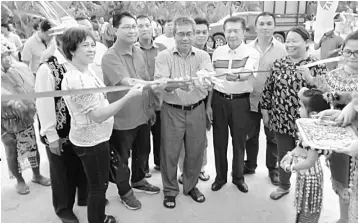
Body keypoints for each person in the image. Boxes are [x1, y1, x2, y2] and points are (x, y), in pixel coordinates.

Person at [61, 26, 144, 223]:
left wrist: (127, 84)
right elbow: (97, 115)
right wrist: (128, 96)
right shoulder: (78, 79)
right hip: (92, 141)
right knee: (99, 187)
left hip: (95, 137)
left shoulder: (86, 70)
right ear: (72, 50)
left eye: (92, 45)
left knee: (97, 184)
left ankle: (98, 217)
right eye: (84, 46)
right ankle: (97, 220)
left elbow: (99, 97)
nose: (91, 49)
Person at [101, 12, 161, 211]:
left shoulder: (138, 52)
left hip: (142, 115)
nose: (132, 30)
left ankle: (139, 180)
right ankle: (125, 192)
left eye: (134, 26)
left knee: (143, 152)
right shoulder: (110, 56)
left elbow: (145, 82)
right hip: (122, 119)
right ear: (115, 30)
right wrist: (160, 83)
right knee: (121, 159)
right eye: (126, 27)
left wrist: (151, 107)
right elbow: (128, 83)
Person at [260, 26, 327, 200]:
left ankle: (306, 189)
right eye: (287, 41)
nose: (289, 45)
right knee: (283, 153)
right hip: (281, 119)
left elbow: (325, 96)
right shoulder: (279, 64)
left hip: (308, 123)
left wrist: (310, 79)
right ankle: (284, 185)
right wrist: (265, 111)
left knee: (308, 157)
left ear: (306, 43)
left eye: (294, 41)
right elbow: (268, 90)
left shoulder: (317, 66)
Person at [155, 16, 213, 209]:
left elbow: (207, 79)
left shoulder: (203, 56)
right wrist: (181, 83)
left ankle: (191, 186)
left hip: (196, 109)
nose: (185, 38)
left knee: (196, 152)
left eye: (189, 33)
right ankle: (170, 191)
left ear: (195, 34)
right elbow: (161, 84)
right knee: (170, 153)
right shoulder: (164, 57)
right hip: (172, 111)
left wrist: (203, 80)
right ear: (174, 34)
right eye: (181, 34)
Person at [300, 30, 358, 223]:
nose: (352, 57)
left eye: (357, 53)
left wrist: (349, 103)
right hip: (339, 132)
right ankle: (344, 217)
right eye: (348, 52)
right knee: (343, 183)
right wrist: (309, 79)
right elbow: (321, 89)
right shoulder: (334, 74)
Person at [35, 28, 87, 223]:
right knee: (62, 173)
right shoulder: (47, 68)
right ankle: (63, 209)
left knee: (81, 166)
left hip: (80, 128)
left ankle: (83, 198)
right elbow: (44, 103)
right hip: (60, 132)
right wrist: (51, 136)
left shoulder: (76, 62)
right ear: (58, 40)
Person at [207, 16, 259, 193]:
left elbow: (247, 72)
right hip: (219, 101)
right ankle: (220, 177)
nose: (232, 34)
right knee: (219, 142)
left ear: (244, 32)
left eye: (236, 30)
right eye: (229, 30)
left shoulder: (252, 53)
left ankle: (238, 177)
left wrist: (236, 76)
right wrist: (209, 106)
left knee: (239, 143)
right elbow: (213, 80)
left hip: (240, 102)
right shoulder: (217, 52)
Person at [1, 43, 51, 195]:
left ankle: (36, 175)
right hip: (5, 123)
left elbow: (29, 89)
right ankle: (20, 181)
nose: (7, 59)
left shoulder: (17, 70)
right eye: (2, 57)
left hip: (24, 119)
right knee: (11, 152)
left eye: (7, 55)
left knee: (32, 147)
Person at [245, 12, 287, 186]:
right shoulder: (246, 47)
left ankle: (273, 169)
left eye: (269, 23)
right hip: (250, 100)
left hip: (273, 103)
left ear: (274, 27)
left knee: (273, 138)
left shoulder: (282, 49)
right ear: (256, 27)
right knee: (250, 136)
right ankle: (250, 165)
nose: (265, 27)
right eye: (261, 24)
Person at [280, 88, 330, 223]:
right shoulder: (306, 128)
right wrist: (290, 155)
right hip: (305, 176)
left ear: (313, 114)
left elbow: (309, 162)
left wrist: (290, 168)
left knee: (308, 213)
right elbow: (299, 147)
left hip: (311, 179)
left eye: (301, 107)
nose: (298, 110)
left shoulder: (314, 135)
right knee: (302, 210)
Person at [177, 17, 212, 185]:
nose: (200, 35)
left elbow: (211, 85)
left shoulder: (208, 54)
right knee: (184, 141)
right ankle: (184, 171)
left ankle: (201, 168)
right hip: (181, 103)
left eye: (204, 32)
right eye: (197, 32)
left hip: (202, 102)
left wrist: (208, 106)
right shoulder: (178, 53)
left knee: (201, 140)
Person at [134, 15, 161, 175]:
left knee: (160, 136)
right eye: (140, 26)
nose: (144, 29)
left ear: (152, 28)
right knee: (142, 141)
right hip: (141, 103)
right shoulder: (132, 51)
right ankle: (142, 168)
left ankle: (159, 162)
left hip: (161, 101)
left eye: (146, 25)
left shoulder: (162, 49)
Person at [75, 17, 108, 82]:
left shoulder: (101, 48)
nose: (89, 32)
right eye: (84, 30)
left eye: (90, 29)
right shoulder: (71, 51)